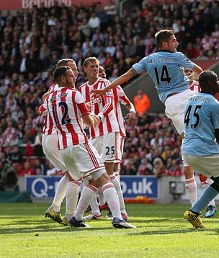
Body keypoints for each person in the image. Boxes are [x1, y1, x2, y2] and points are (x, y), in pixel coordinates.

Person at [93, 29, 203, 207]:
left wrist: (106, 88)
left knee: (187, 146)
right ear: (165, 44)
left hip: (171, 104)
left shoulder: (148, 60)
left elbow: (127, 75)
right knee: (206, 124)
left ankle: (195, 205)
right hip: (187, 96)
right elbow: (199, 72)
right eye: (174, 40)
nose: (177, 43)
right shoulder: (178, 57)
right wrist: (194, 80)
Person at [45, 66, 135, 228]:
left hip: (64, 147)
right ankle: (118, 217)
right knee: (105, 177)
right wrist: (97, 117)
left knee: (87, 180)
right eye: (71, 76)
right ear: (63, 79)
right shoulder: (75, 93)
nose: (75, 78)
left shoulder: (50, 97)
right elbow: (88, 122)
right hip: (79, 142)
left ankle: (76, 217)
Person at [182, 71, 219, 229]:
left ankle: (194, 212)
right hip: (204, 150)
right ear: (208, 84)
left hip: (187, 151)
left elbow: (200, 125)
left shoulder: (191, 100)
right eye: (216, 81)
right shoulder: (214, 104)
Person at [80, 61, 136, 220]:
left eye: (99, 68)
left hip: (112, 130)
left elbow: (118, 104)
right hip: (94, 133)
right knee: (92, 172)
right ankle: (97, 209)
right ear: (85, 69)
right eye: (93, 67)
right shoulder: (82, 89)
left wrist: (132, 111)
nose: (98, 71)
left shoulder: (110, 86)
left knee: (110, 171)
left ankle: (120, 211)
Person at [40, 59, 81, 225]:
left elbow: (42, 108)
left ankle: (56, 208)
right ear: (63, 74)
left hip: (49, 137)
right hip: (58, 137)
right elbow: (41, 110)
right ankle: (70, 215)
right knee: (76, 175)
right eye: (72, 70)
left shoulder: (53, 90)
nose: (76, 73)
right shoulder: (61, 90)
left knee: (70, 173)